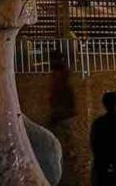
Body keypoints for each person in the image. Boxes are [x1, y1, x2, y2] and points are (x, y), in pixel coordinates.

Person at [48, 52, 79, 185]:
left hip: (63, 111)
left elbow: (62, 94)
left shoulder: (61, 80)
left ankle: (66, 150)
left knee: (64, 131)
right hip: (63, 110)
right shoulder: (63, 78)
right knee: (64, 131)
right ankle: (67, 150)